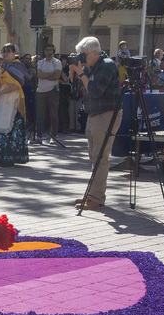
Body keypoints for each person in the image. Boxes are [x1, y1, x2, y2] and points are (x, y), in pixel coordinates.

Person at [68, 36, 122, 210]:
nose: (81, 58)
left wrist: (81, 73)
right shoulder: (92, 66)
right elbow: (76, 89)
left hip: (106, 115)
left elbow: (95, 91)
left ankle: (96, 198)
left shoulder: (106, 65)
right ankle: (94, 195)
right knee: (94, 157)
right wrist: (73, 72)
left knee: (100, 158)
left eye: (83, 55)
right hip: (93, 115)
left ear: (95, 52)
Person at [0, 44, 28, 166]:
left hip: (12, 100)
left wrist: (1, 92)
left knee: (11, 127)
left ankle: (9, 158)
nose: (5, 54)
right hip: (1, 99)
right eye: (3, 52)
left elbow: (17, 85)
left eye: (8, 52)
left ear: (14, 53)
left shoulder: (18, 66)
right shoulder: (2, 66)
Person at [35, 43, 62, 144]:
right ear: (44, 51)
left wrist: (44, 75)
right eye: (47, 50)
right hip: (40, 90)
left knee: (53, 115)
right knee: (40, 115)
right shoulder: (40, 62)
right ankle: (39, 136)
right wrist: (51, 73)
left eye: (51, 50)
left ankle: (53, 136)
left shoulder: (57, 62)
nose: (49, 52)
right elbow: (38, 75)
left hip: (53, 90)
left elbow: (57, 76)